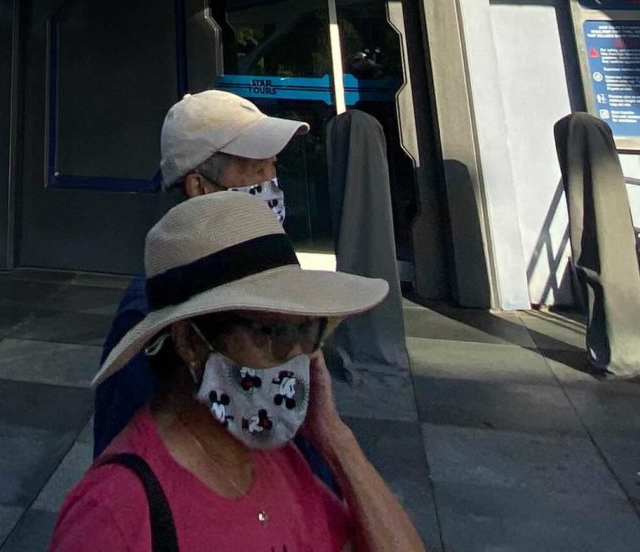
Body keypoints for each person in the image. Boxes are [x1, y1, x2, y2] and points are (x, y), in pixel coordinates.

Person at [52, 192, 422, 552]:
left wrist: (338, 442)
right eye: (273, 332)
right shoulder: (117, 515)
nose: (296, 356)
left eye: (306, 329)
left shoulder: (275, 454)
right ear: (191, 342)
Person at [94, 90, 306, 454]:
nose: (271, 181)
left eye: (273, 165)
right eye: (256, 169)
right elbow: (127, 457)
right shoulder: (153, 315)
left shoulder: (266, 274)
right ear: (199, 186)